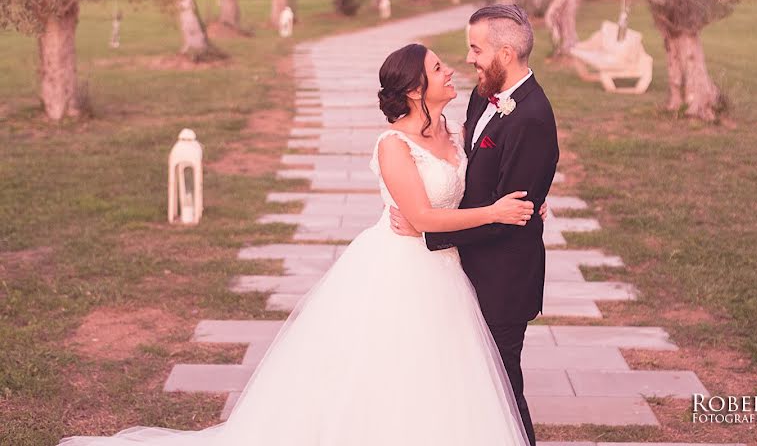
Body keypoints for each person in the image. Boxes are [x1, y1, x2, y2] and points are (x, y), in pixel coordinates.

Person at [56, 41, 548, 446]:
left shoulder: (453, 129)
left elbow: (477, 181)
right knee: (385, 366)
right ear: (417, 90)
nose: (452, 70)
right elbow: (419, 218)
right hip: (400, 267)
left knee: (444, 375)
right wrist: (495, 213)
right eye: (439, 67)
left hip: (446, 270)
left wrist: (529, 202)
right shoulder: (393, 145)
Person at [391, 4, 559, 446]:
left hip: (504, 279)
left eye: (475, 49)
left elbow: (509, 216)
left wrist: (429, 230)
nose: (468, 59)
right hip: (463, 269)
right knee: (466, 387)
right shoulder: (484, 94)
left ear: (505, 53)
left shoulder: (534, 119)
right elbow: (478, 174)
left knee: (503, 389)